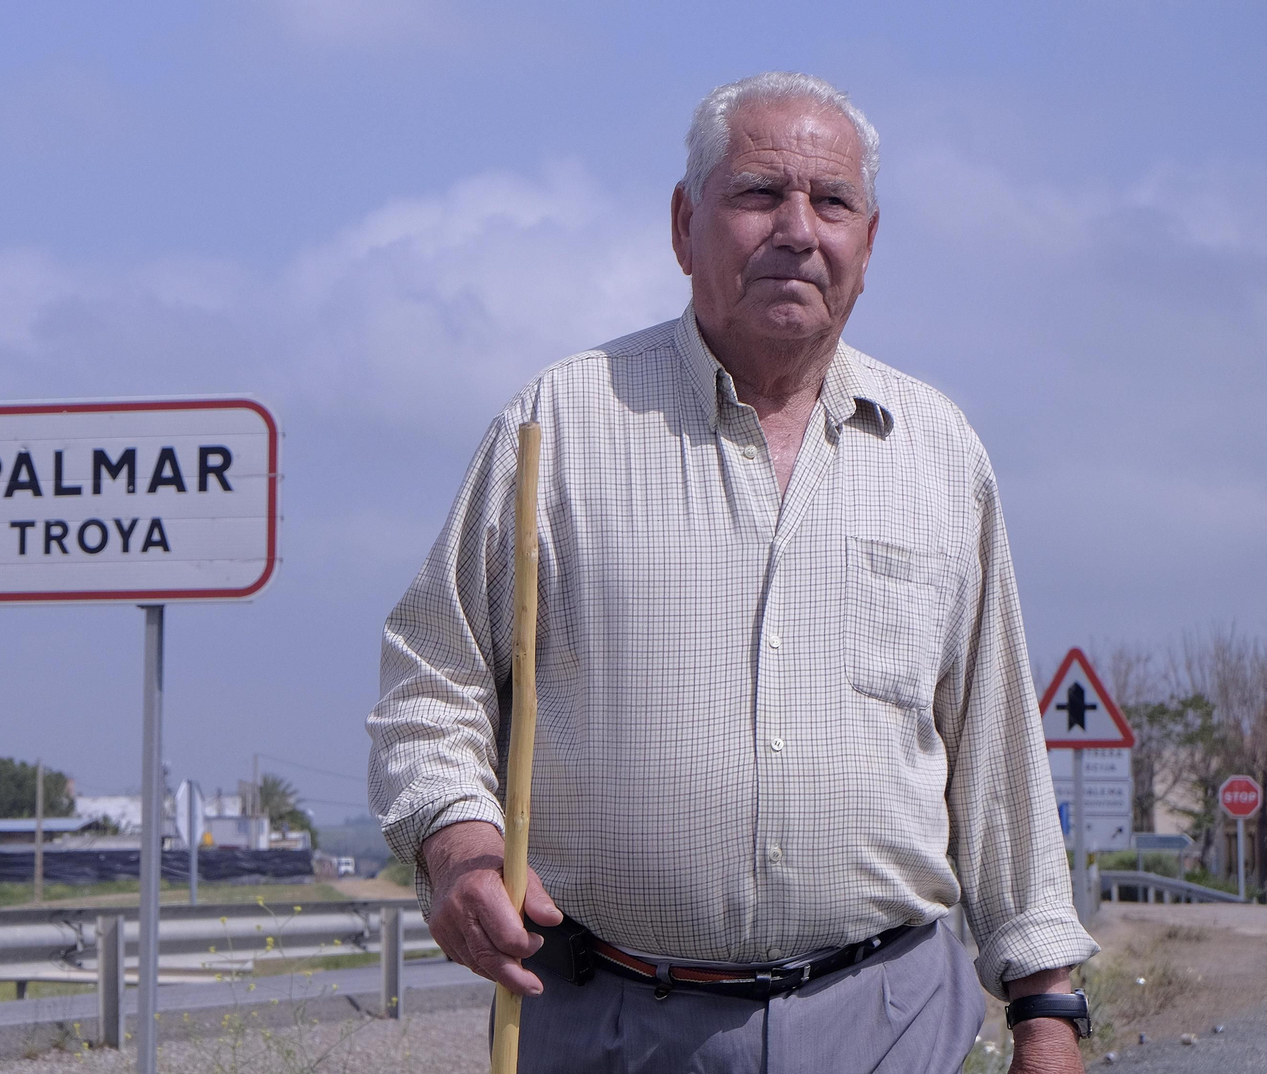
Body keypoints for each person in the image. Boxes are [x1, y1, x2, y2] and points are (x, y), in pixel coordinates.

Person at [367, 71, 1097, 1074]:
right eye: (758, 194)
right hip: (612, 1024)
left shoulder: (938, 452)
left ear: (867, 244)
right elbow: (431, 677)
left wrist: (1045, 1009)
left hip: (888, 1022)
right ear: (683, 226)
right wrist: (459, 848)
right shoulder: (559, 427)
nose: (797, 228)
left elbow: (996, 747)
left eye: (831, 201)